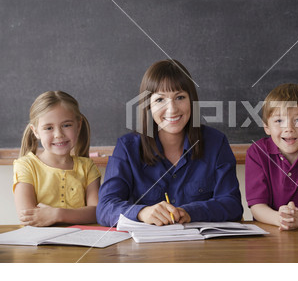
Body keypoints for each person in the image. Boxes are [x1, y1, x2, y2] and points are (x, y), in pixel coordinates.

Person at [96, 59, 243, 227]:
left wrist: (190, 212)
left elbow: (232, 205)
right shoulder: (127, 148)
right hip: (144, 251)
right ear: (148, 105)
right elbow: (105, 207)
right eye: (160, 100)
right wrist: (142, 212)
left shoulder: (216, 143)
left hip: (201, 250)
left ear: (191, 100)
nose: (172, 109)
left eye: (180, 97)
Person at [245, 83, 298, 230]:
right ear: (266, 127)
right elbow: (257, 206)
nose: (289, 129)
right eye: (279, 121)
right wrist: (281, 219)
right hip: (269, 233)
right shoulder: (257, 152)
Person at [13, 91, 101, 226]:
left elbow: (96, 212)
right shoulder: (26, 166)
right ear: (35, 131)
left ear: (78, 126)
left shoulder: (88, 167)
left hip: (80, 243)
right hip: (40, 243)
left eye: (66, 125)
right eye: (48, 128)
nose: (58, 134)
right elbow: (27, 216)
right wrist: (77, 215)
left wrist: (57, 214)